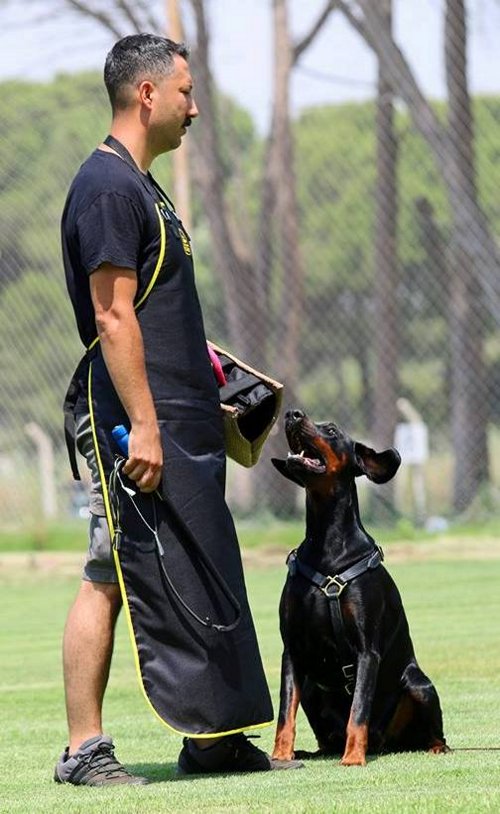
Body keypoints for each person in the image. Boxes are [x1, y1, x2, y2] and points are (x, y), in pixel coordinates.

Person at [56, 33, 301, 786]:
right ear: (147, 95)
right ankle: (83, 750)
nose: (196, 108)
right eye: (187, 93)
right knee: (109, 570)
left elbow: (160, 314)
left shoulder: (143, 187)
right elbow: (114, 318)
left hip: (177, 418)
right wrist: (151, 425)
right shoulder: (107, 189)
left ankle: (213, 737)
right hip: (131, 425)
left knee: (200, 568)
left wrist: (220, 383)